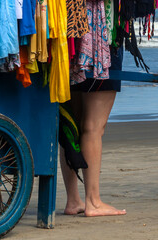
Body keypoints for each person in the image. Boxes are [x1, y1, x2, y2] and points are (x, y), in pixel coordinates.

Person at [59, 46, 127, 217]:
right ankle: (93, 202)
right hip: (103, 47)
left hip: (72, 45)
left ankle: (73, 200)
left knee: (71, 126)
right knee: (93, 127)